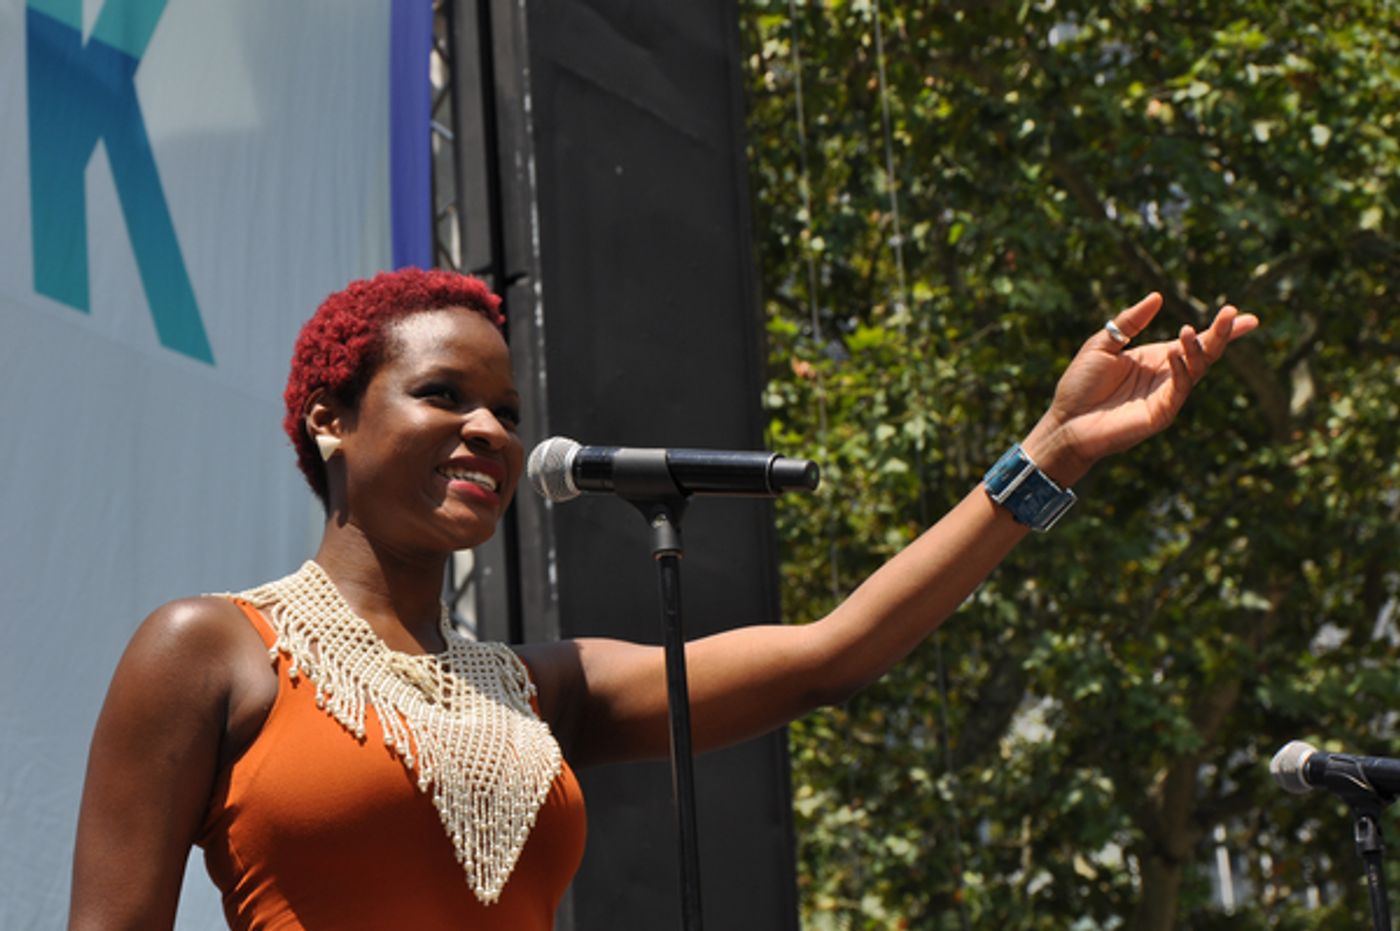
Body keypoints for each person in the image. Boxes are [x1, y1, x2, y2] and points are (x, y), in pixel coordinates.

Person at [68, 267, 1258, 930]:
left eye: (506, 409)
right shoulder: (210, 650)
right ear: (329, 420)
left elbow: (832, 653)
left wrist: (1048, 454)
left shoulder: (542, 690)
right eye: (442, 395)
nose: (488, 427)